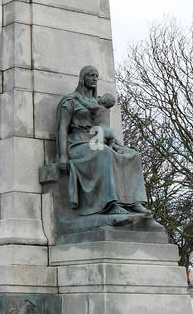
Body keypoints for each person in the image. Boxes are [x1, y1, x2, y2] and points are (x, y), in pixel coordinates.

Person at [56, 66, 154, 219]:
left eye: (96, 75)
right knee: (104, 152)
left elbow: (106, 128)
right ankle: (109, 204)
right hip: (78, 144)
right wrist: (63, 156)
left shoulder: (100, 102)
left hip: (99, 140)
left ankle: (133, 201)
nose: (94, 78)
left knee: (132, 155)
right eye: (90, 75)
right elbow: (62, 128)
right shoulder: (71, 101)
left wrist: (120, 145)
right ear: (83, 78)